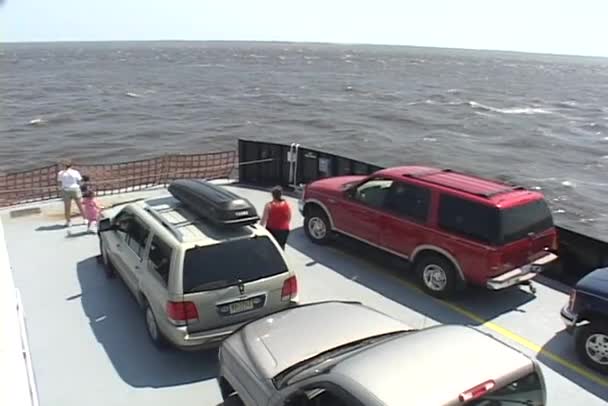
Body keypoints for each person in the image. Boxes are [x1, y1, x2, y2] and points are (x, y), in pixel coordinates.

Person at [57, 160, 85, 227]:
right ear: (71, 166)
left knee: (67, 207)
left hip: (66, 190)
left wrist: (61, 189)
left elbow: (60, 183)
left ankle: (68, 222)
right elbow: (80, 181)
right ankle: (85, 219)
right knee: (80, 206)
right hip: (75, 189)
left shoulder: (60, 173)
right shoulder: (75, 172)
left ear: (63, 166)